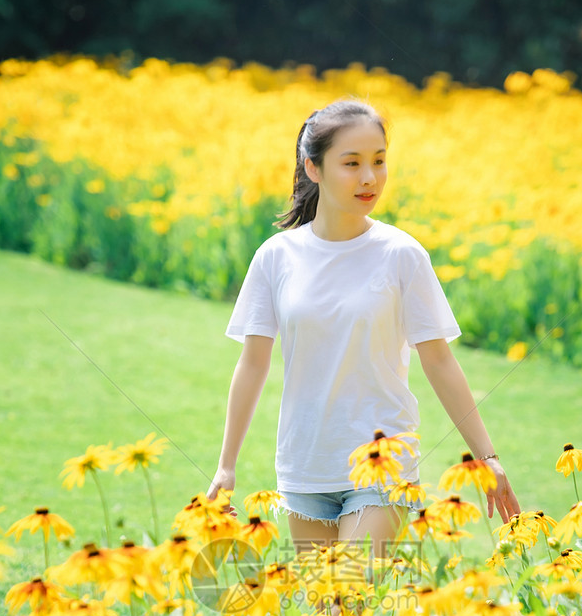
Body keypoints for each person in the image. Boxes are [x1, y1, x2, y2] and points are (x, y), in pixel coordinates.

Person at [207, 96, 520, 567]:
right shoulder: (276, 256)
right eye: (351, 163)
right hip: (305, 464)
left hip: (383, 463)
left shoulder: (401, 254)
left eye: (378, 161)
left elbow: (439, 361)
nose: (369, 178)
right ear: (313, 168)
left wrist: (487, 456)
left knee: (346, 596)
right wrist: (226, 466)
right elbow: (252, 364)